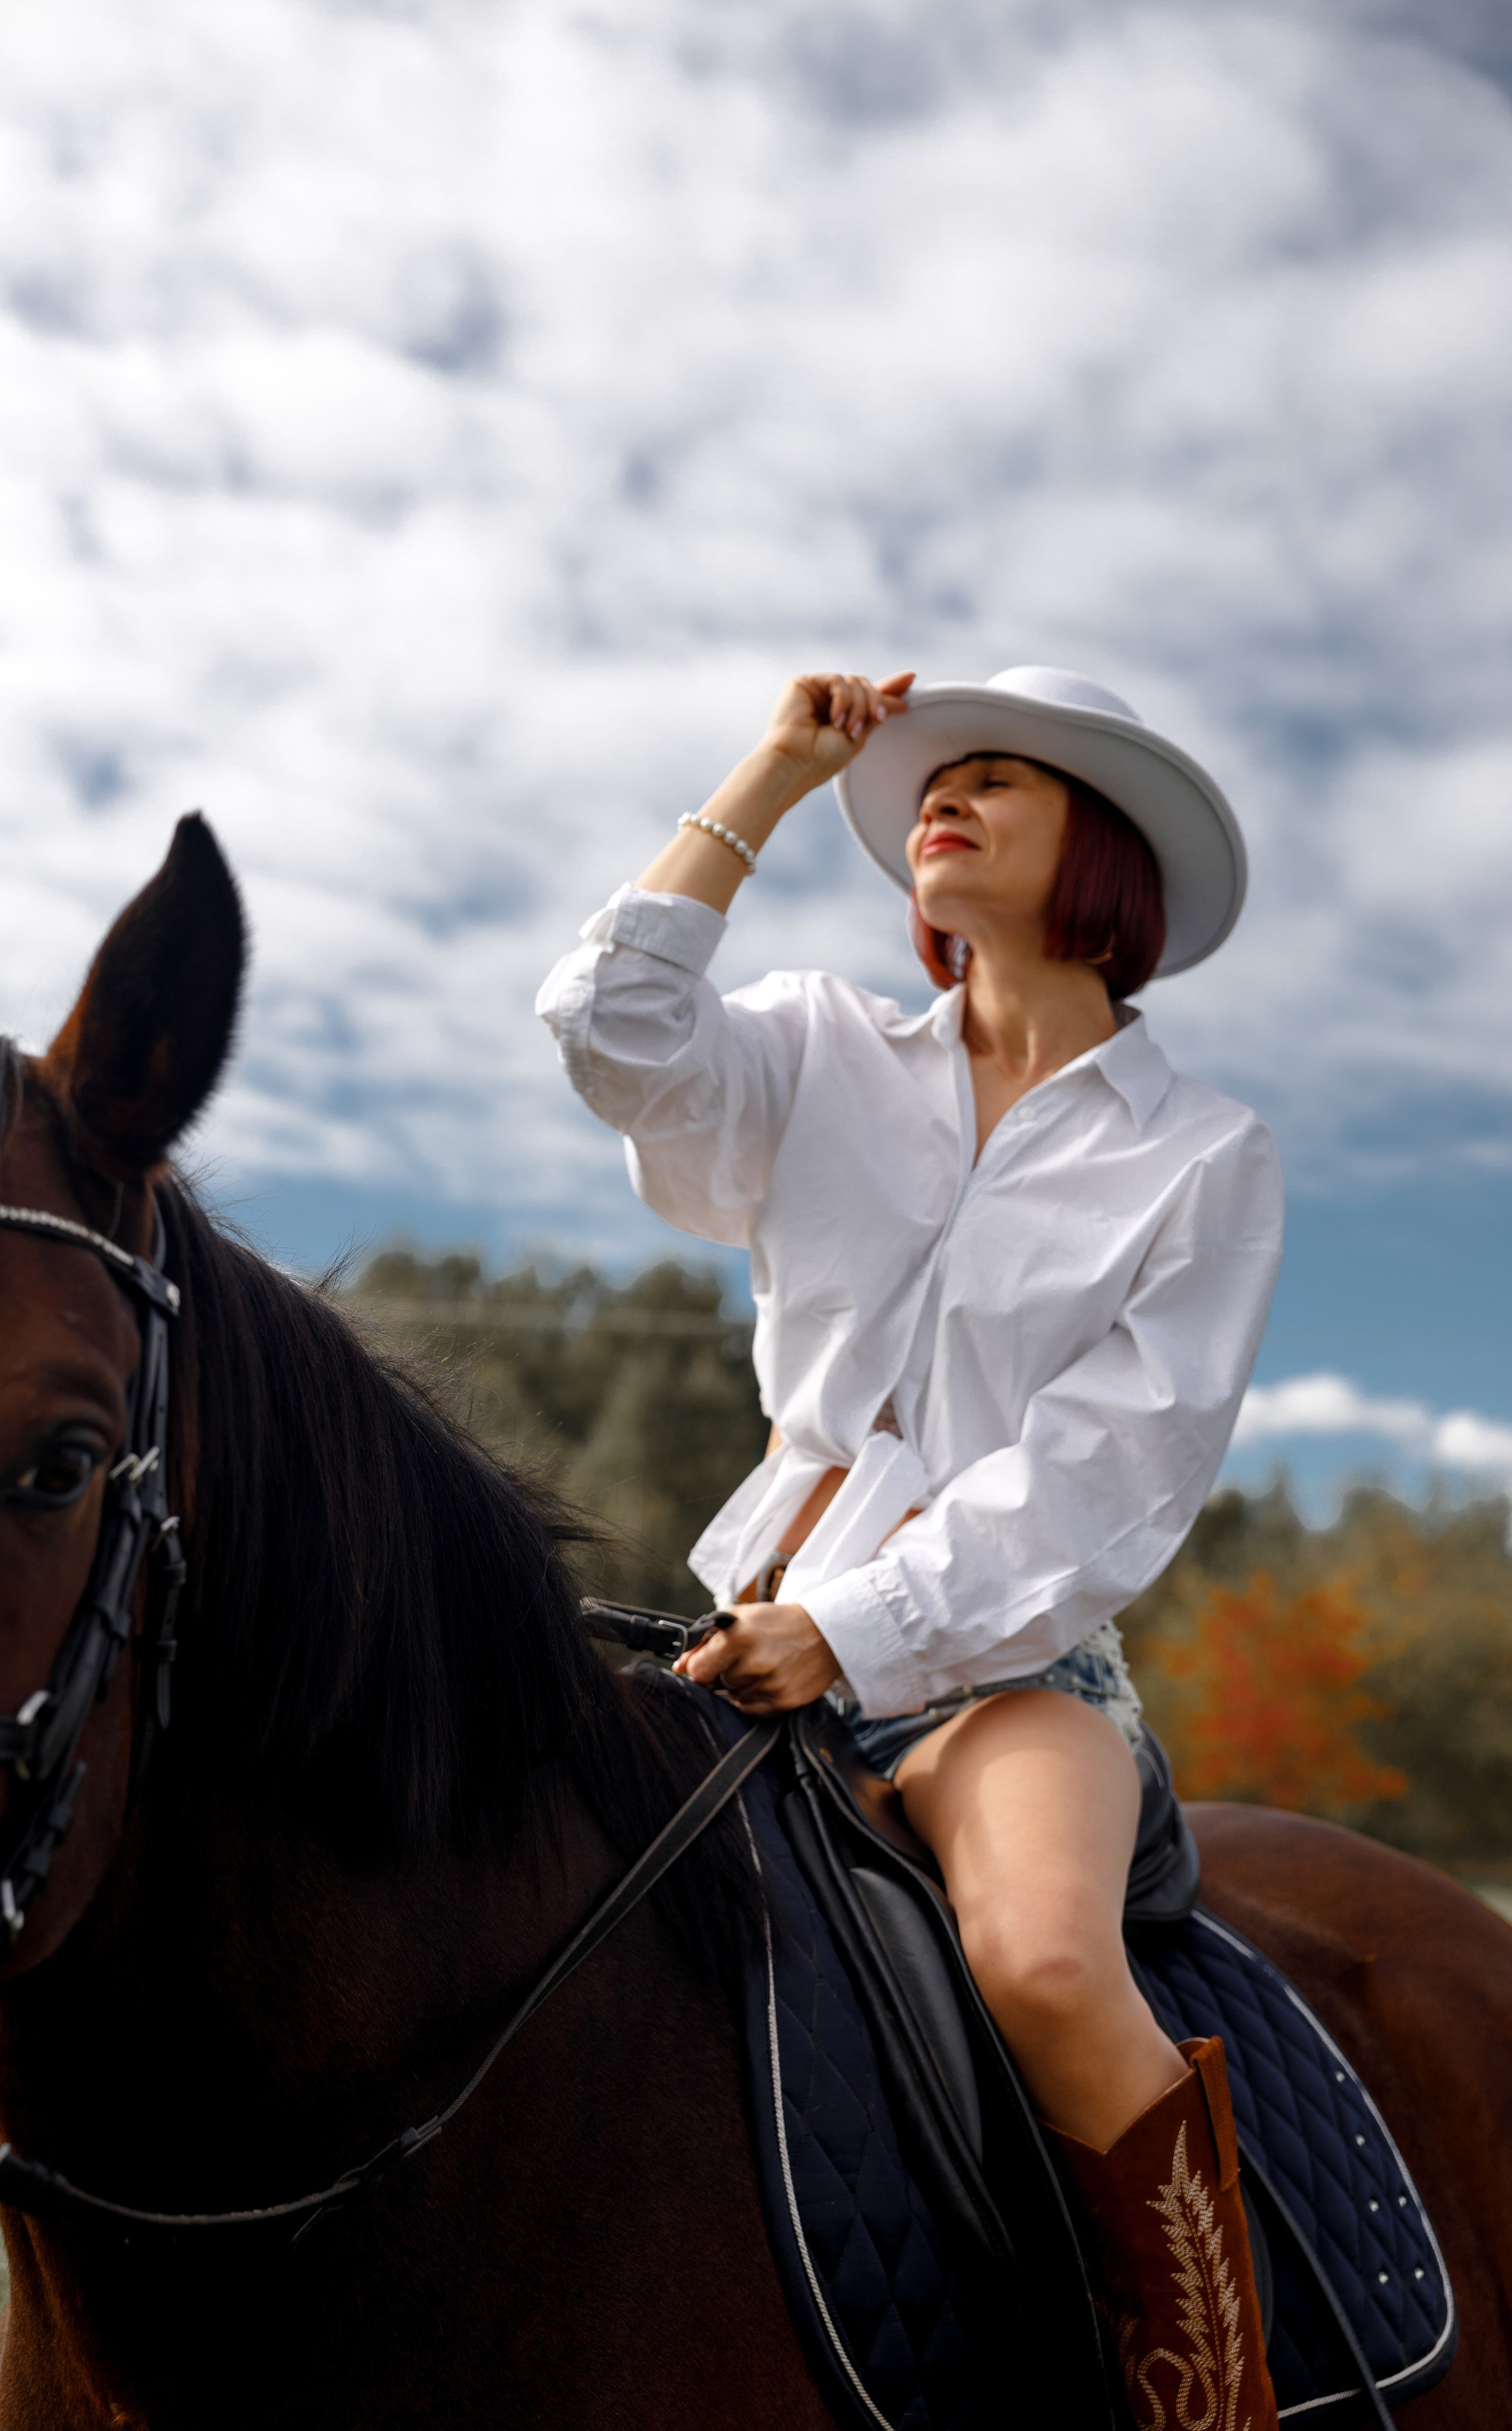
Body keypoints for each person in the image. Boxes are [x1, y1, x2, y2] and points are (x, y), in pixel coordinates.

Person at [537, 663, 1284, 2425]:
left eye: (1001, 780)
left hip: (1003, 1681)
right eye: (939, 780)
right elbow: (609, 1032)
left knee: (1043, 1962)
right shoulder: (817, 1047)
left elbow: (1112, 1474)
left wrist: (855, 1630)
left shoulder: (1203, 1157)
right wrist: (771, 778)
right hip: (739, 1645)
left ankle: (1214, 2405)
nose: (946, 796)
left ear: (1103, 852)